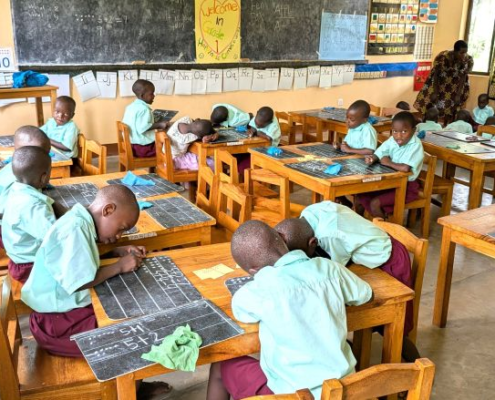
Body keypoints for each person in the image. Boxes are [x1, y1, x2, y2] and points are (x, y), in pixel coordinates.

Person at [206, 220, 372, 399]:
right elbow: (365, 294)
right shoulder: (329, 268)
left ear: (254, 271)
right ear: (282, 239)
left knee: (220, 366)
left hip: (295, 395)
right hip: (344, 389)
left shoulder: (258, 291)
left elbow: (241, 312)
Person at [274, 201, 419, 361]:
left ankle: (416, 364)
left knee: (393, 322)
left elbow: (333, 275)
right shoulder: (308, 215)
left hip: (388, 262)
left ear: (313, 243)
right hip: (363, 256)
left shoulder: (331, 235)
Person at [356, 112, 424, 219]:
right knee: (361, 195)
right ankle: (365, 225)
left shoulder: (415, 145)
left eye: (404, 131)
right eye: (395, 131)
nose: (398, 136)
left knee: (375, 203)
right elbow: (380, 152)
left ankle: (387, 232)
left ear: (413, 130)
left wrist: (387, 162)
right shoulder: (392, 140)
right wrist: (372, 158)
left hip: (406, 187)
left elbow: (405, 168)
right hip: (391, 182)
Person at [3, 147, 55, 283]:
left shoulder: (16, 191)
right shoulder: (34, 206)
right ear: (43, 177)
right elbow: (54, 238)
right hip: (30, 267)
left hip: (18, 259)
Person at [0, 126, 51, 249]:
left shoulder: (19, 170)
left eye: (47, 153)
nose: (43, 158)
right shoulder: (12, 182)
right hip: (10, 235)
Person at [414, 40, 473, 125]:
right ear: (455, 51)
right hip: (439, 81)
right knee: (431, 100)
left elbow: (463, 77)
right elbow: (436, 74)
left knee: (453, 104)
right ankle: (425, 123)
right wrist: (435, 90)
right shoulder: (443, 57)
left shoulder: (468, 60)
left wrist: (458, 94)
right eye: (461, 53)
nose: (464, 55)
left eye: (465, 52)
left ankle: (447, 125)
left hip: (456, 83)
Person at [122, 79, 169, 158]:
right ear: (142, 95)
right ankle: (164, 168)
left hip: (131, 145)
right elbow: (142, 128)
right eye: (151, 94)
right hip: (143, 149)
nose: (154, 96)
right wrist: (160, 125)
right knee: (169, 147)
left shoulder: (130, 107)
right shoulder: (144, 109)